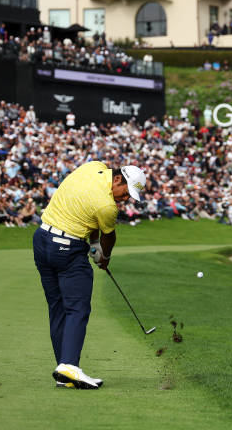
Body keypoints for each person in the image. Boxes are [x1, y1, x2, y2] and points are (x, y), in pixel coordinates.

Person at [34, 161, 147, 390]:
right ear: (118, 179)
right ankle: (69, 365)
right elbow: (109, 238)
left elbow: (88, 212)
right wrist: (103, 256)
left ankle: (63, 372)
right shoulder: (108, 206)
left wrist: (93, 243)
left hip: (41, 239)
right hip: (67, 249)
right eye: (125, 193)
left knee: (57, 307)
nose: (124, 200)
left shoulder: (93, 166)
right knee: (77, 308)